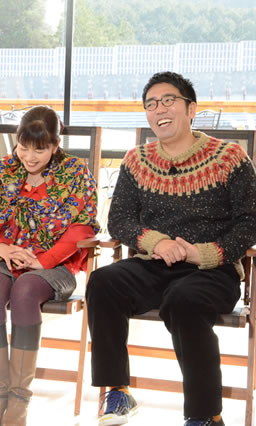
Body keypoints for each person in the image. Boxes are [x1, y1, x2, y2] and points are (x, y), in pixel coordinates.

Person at [86, 72, 256, 426]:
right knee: (102, 281)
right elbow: (119, 221)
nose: (159, 109)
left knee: (184, 300)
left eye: (168, 100)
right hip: (152, 265)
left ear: (191, 109)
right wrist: (157, 242)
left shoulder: (230, 157)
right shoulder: (136, 160)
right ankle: (116, 391)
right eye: (151, 104)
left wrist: (202, 254)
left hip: (213, 270)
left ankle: (205, 415)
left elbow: (249, 221)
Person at [0, 105, 99, 425]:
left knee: (25, 290)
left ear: (56, 145)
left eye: (40, 149)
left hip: (55, 264)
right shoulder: (3, 170)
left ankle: (19, 400)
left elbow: (82, 229)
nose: (30, 157)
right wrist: (2, 247)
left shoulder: (76, 173)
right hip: (6, 257)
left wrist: (42, 261)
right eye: (23, 148)